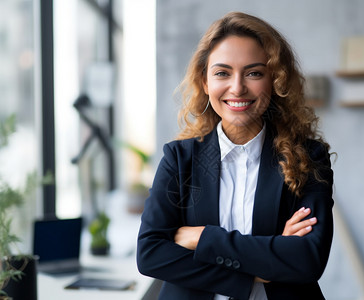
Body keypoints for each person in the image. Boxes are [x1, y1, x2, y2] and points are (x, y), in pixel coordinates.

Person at [137, 11, 334, 300]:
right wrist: (265, 261)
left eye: (254, 73)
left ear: (275, 81)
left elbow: (307, 259)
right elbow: (150, 254)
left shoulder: (308, 158)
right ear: (205, 82)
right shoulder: (180, 159)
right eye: (222, 73)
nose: (238, 87)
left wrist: (202, 237)